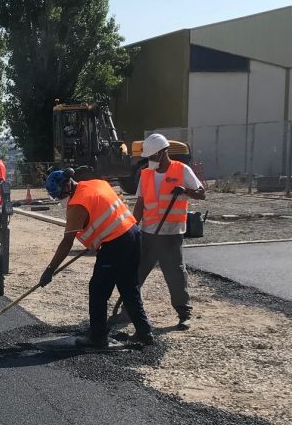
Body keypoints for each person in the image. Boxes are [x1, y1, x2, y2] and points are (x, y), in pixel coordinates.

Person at [38, 168, 154, 348]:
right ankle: (144, 332)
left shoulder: (77, 204)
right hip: (133, 234)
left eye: (59, 195)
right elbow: (107, 211)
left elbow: (67, 241)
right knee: (128, 287)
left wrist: (49, 270)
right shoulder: (96, 183)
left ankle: (98, 337)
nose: (60, 200)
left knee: (98, 290)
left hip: (116, 243)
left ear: (67, 186)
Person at [131, 134, 206, 330]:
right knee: (136, 273)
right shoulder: (146, 174)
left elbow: (201, 193)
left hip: (172, 234)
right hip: (148, 233)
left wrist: (185, 191)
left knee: (175, 274)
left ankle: (183, 313)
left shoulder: (182, 170)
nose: (150, 161)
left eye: (153, 157)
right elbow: (140, 203)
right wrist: (132, 227)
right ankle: (129, 310)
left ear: (164, 153)